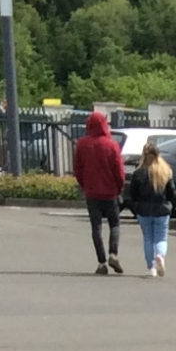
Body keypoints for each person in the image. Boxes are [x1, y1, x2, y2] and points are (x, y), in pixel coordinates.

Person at [71, 111, 126, 275]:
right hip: (110, 193)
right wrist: (119, 188)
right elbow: (119, 172)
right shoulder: (112, 145)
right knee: (114, 224)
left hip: (92, 193)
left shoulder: (82, 144)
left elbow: (78, 170)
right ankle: (113, 253)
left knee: (96, 227)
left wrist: (85, 185)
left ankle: (101, 262)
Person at [124, 143, 176, 278]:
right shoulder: (165, 171)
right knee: (161, 238)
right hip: (162, 209)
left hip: (144, 210)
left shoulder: (139, 173)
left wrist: (136, 205)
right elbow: (172, 193)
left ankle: (151, 268)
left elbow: (133, 194)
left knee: (148, 239)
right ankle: (160, 256)